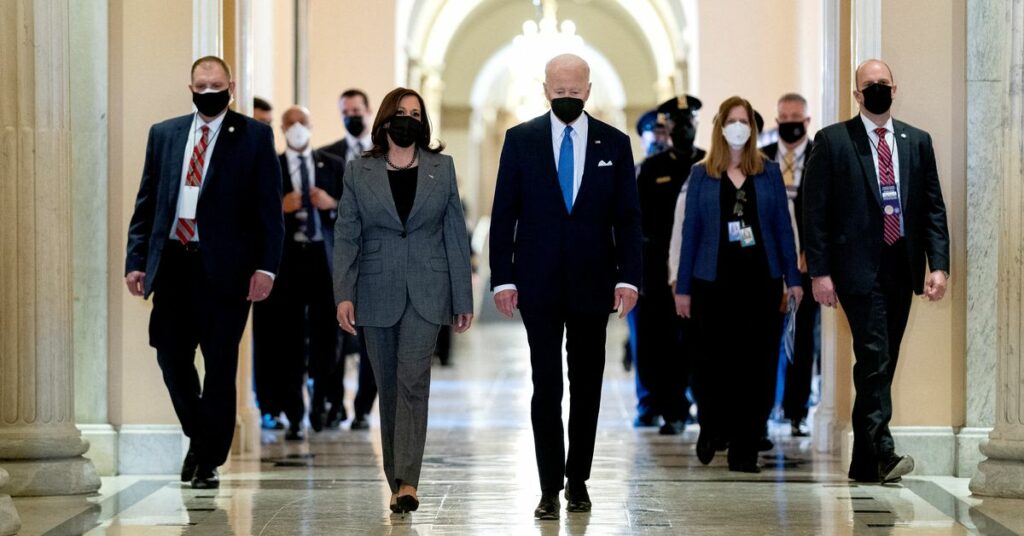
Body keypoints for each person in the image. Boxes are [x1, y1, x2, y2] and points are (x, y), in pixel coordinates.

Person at [490, 54, 642, 519]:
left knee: (588, 383)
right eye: (559, 93)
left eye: (575, 93)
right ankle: (547, 486)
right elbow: (503, 214)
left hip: (594, 283)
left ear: (588, 91)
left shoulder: (614, 143)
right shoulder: (521, 140)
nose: (567, 100)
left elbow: (628, 218)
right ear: (545, 89)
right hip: (537, 283)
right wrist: (503, 278)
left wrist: (629, 277)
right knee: (546, 386)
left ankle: (579, 480)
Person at [124, 56, 284, 489]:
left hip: (227, 271)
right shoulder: (165, 134)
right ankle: (202, 436)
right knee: (170, 355)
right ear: (190, 87)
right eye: (201, 85)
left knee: (218, 365)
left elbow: (270, 211)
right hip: (174, 262)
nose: (208, 91)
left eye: (216, 84)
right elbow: (147, 203)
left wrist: (266, 268)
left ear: (230, 86)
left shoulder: (253, 137)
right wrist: (136, 260)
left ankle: (208, 459)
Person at [803, 59, 950, 484]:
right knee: (873, 356)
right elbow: (815, 212)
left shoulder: (916, 142)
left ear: (895, 88)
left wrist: (937, 264)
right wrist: (820, 271)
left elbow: (932, 207)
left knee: (881, 362)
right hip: (855, 268)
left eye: (883, 83)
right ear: (856, 94)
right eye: (869, 85)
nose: (877, 89)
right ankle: (883, 450)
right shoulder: (833, 141)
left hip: (901, 265)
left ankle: (863, 463)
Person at [334, 87, 473, 513]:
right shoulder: (360, 172)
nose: (408, 118)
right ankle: (396, 479)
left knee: (413, 382)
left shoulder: (442, 168)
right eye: (401, 112)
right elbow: (347, 235)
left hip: (428, 291)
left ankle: (409, 481)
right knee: (389, 385)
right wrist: (343, 294)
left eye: (416, 113)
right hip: (375, 291)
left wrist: (462, 296)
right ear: (386, 119)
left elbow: (455, 235)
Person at [674, 96, 801, 473]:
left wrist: (792, 279)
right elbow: (690, 232)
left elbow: (782, 228)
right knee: (713, 366)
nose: (738, 126)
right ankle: (712, 426)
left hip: (760, 282)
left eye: (744, 120)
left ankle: (745, 447)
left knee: (758, 368)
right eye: (732, 120)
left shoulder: (769, 172)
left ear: (753, 128)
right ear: (719, 126)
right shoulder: (701, 174)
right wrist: (682, 288)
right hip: (712, 283)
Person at [253, 106, 345, 441]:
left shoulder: (332, 165)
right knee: (288, 339)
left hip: (324, 257)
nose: (296, 128)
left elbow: (353, 210)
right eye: (290, 123)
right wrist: (281, 206)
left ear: (311, 126)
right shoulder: (271, 167)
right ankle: (293, 412)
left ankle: (321, 399)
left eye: (302, 123)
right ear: (281, 127)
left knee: (327, 335)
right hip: (288, 260)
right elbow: (254, 208)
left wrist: (332, 203)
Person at [633, 95, 705, 435]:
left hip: (701, 270)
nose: (684, 128)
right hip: (659, 272)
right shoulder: (652, 169)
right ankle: (671, 408)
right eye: (677, 123)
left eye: (689, 121)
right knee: (662, 345)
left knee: (699, 343)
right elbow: (638, 223)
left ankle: (704, 406)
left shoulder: (707, 164)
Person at [319, 88, 379, 431]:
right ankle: (334, 403)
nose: (351, 116)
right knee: (335, 335)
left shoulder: (384, 155)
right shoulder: (326, 155)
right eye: (346, 111)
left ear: (367, 111)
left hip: (373, 259)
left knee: (372, 338)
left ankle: (362, 408)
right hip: (336, 257)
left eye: (356, 110)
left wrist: (335, 203)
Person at [761, 93, 818, 437]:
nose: (789, 122)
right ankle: (765, 409)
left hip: (806, 263)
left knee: (802, 340)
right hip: (768, 263)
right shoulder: (762, 158)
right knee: (767, 339)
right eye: (783, 117)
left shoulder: (818, 157)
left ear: (807, 121)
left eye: (796, 116)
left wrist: (812, 252)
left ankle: (796, 410)